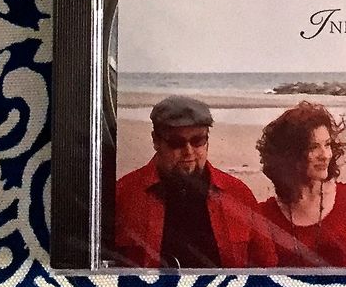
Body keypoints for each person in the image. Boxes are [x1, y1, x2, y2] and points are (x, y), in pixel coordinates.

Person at [111, 96, 276, 269]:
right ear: (156, 141)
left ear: (207, 141)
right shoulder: (123, 194)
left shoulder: (238, 194)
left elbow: (267, 266)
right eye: (176, 143)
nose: (188, 151)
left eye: (197, 141)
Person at [256, 102, 346, 268]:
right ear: (290, 154)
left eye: (327, 144)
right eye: (313, 147)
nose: (325, 155)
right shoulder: (264, 216)